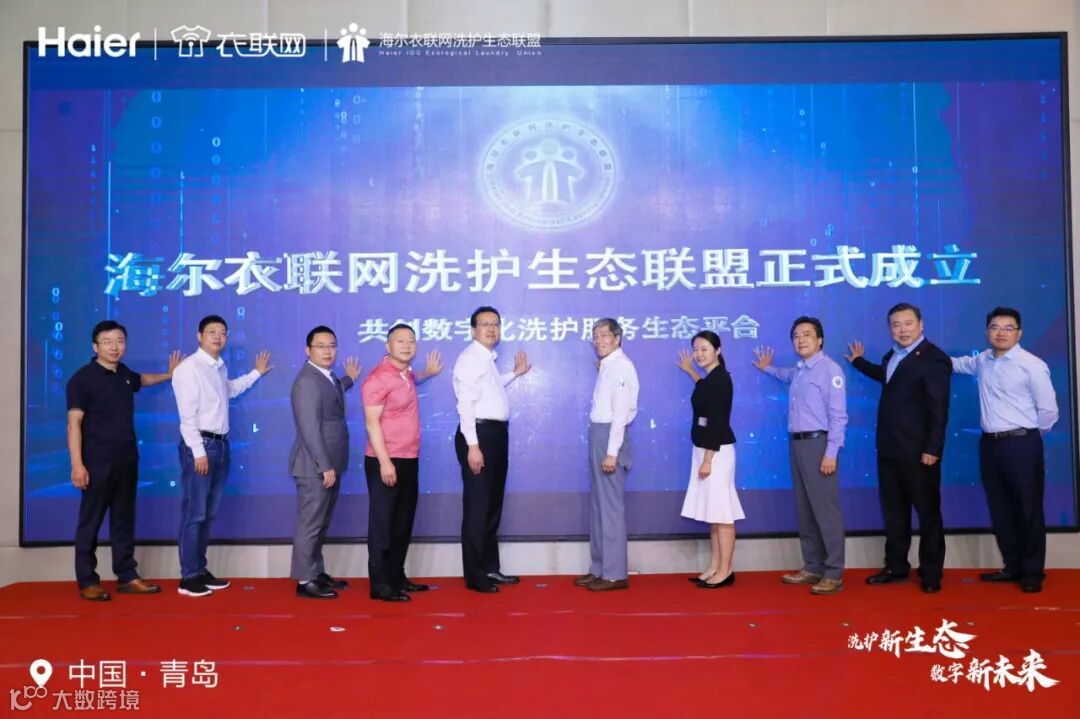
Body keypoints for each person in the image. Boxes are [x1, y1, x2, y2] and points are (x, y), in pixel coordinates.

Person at [67, 320, 180, 601]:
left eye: (119, 341)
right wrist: (77, 465)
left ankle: (127, 576)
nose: (114, 347)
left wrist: (168, 375)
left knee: (123, 520)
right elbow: (74, 424)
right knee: (90, 522)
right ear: (95, 347)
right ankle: (87, 581)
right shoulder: (81, 379)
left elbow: (143, 380)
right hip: (96, 463)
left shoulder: (125, 374)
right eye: (107, 342)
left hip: (127, 460)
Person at [846, 302, 951, 593]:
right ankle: (895, 566)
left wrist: (933, 449)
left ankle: (931, 573)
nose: (902, 330)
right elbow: (888, 378)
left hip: (920, 454)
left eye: (908, 323)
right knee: (894, 513)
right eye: (896, 324)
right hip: (889, 450)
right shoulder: (892, 355)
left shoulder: (934, 358)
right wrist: (858, 363)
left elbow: (939, 409)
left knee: (928, 515)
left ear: (921, 324)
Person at [951, 307, 1058, 593]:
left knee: (1028, 508)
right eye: (995, 327)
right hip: (990, 444)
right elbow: (956, 364)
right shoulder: (983, 360)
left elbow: (1049, 411)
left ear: (1019, 333)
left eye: (1008, 328)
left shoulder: (1031, 364)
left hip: (1022, 444)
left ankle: (1032, 572)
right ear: (987, 331)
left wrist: (1029, 435)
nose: (1001, 333)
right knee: (1000, 508)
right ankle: (1012, 566)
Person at [172, 315, 272, 597]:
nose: (218, 337)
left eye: (222, 333)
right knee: (194, 513)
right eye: (211, 332)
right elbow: (186, 417)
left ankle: (199, 569)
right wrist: (198, 452)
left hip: (221, 446)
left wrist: (256, 373)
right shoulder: (189, 368)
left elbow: (229, 390)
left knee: (208, 514)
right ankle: (188, 577)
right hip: (200, 446)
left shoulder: (218, 367)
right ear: (199, 335)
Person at [752, 317, 848, 595]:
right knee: (805, 510)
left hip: (819, 445)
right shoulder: (800, 370)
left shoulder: (830, 370)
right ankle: (812, 566)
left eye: (807, 334)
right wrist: (767, 368)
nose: (801, 339)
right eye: (796, 335)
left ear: (820, 340)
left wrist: (831, 453)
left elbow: (839, 416)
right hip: (797, 445)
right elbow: (785, 375)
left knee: (826, 511)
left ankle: (833, 572)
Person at [452, 306, 531, 593]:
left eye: (495, 324)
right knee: (478, 507)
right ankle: (475, 576)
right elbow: (466, 405)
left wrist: (515, 373)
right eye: (484, 324)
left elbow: (491, 389)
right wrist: (473, 446)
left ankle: (489, 568)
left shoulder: (486, 359)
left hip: (495, 435)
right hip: (479, 436)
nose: (491, 328)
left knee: (491, 506)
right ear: (473, 330)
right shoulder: (470, 359)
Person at [362, 323, 443, 602]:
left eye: (411, 341)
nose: (407, 345)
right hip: (385, 460)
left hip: (409, 458)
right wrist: (385, 463)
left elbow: (412, 378)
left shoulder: (405, 373)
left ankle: (397, 576)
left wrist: (427, 373)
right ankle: (380, 585)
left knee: (402, 521)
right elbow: (372, 423)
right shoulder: (377, 378)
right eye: (400, 341)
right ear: (388, 346)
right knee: (383, 523)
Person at [289, 326, 361, 599]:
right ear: (308, 350)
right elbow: (309, 428)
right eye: (321, 346)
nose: (328, 351)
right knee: (310, 524)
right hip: (314, 467)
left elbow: (335, 390)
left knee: (321, 522)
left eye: (332, 346)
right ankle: (304, 580)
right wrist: (324, 465)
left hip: (329, 464)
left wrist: (350, 379)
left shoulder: (326, 377)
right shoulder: (306, 381)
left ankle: (316, 572)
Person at [574, 318, 639, 592]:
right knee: (599, 506)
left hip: (610, 437)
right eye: (595, 335)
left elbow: (620, 415)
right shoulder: (608, 365)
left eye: (604, 335)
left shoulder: (621, 366)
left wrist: (612, 453)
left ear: (617, 338)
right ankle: (599, 568)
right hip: (598, 434)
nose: (598, 340)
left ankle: (615, 573)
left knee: (610, 507)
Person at [674, 330, 740, 589]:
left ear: (718, 350)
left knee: (723, 513)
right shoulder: (712, 379)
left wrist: (708, 459)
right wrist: (691, 371)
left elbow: (718, 420)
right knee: (714, 512)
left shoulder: (722, 379)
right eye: (696, 349)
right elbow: (704, 392)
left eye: (704, 349)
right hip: (705, 450)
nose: (699, 354)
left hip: (716, 452)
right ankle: (714, 566)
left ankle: (725, 570)